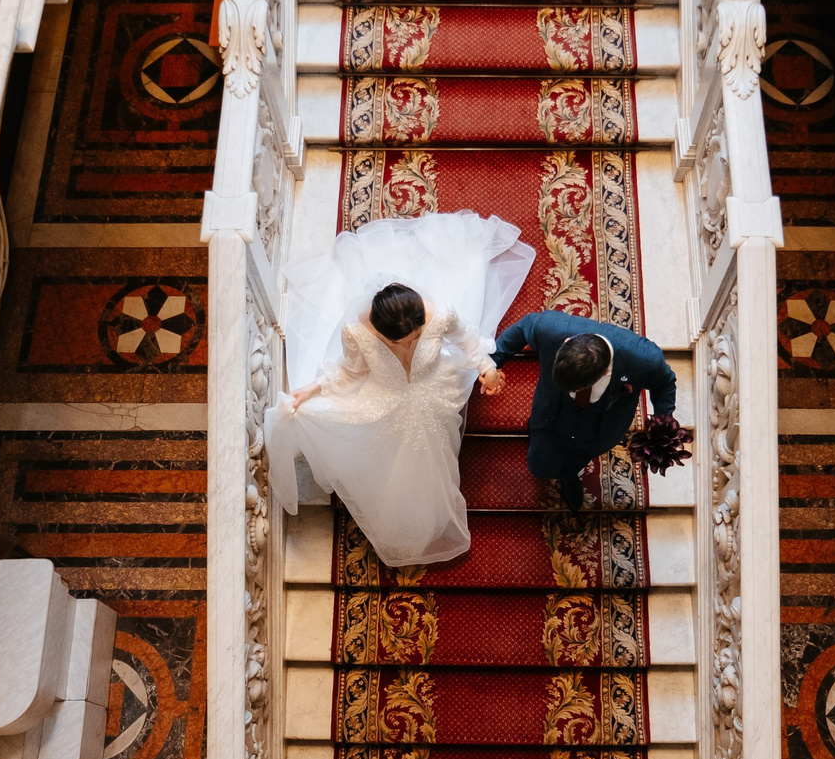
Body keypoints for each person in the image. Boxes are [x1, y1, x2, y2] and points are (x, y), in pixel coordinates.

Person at [265, 211, 535, 566]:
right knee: (382, 459)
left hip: (436, 391)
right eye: (405, 339)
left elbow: (467, 341)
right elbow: (349, 372)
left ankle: (434, 514)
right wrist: (311, 391)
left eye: (417, 335)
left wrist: (487, 368)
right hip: (385, 399)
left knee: (436, 457)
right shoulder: (357, 333)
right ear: (381, 331)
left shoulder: (438, 315)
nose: (413, 341)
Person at [491, 311, 676, 509]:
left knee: (578, 459)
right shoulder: (550, 328)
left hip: (600, 431)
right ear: (567, 342)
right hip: (549, 418)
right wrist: (491, 365)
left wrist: (661, 426)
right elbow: (522, 327)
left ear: (605, 372)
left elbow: (665, 382)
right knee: (539, 467)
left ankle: (569, 475)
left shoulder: (644, 358)